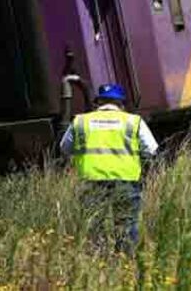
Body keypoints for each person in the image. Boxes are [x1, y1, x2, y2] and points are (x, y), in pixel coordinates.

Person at [59, 83, 158, 255]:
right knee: (127, 226)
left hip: (91, 182)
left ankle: (98, 266)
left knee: (93, 226)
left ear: (98, 103)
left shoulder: (81, 121)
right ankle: (126, 265)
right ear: (121, 104)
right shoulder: (133, 122)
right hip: (126, 181)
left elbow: (64, 148)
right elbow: (151, 150)